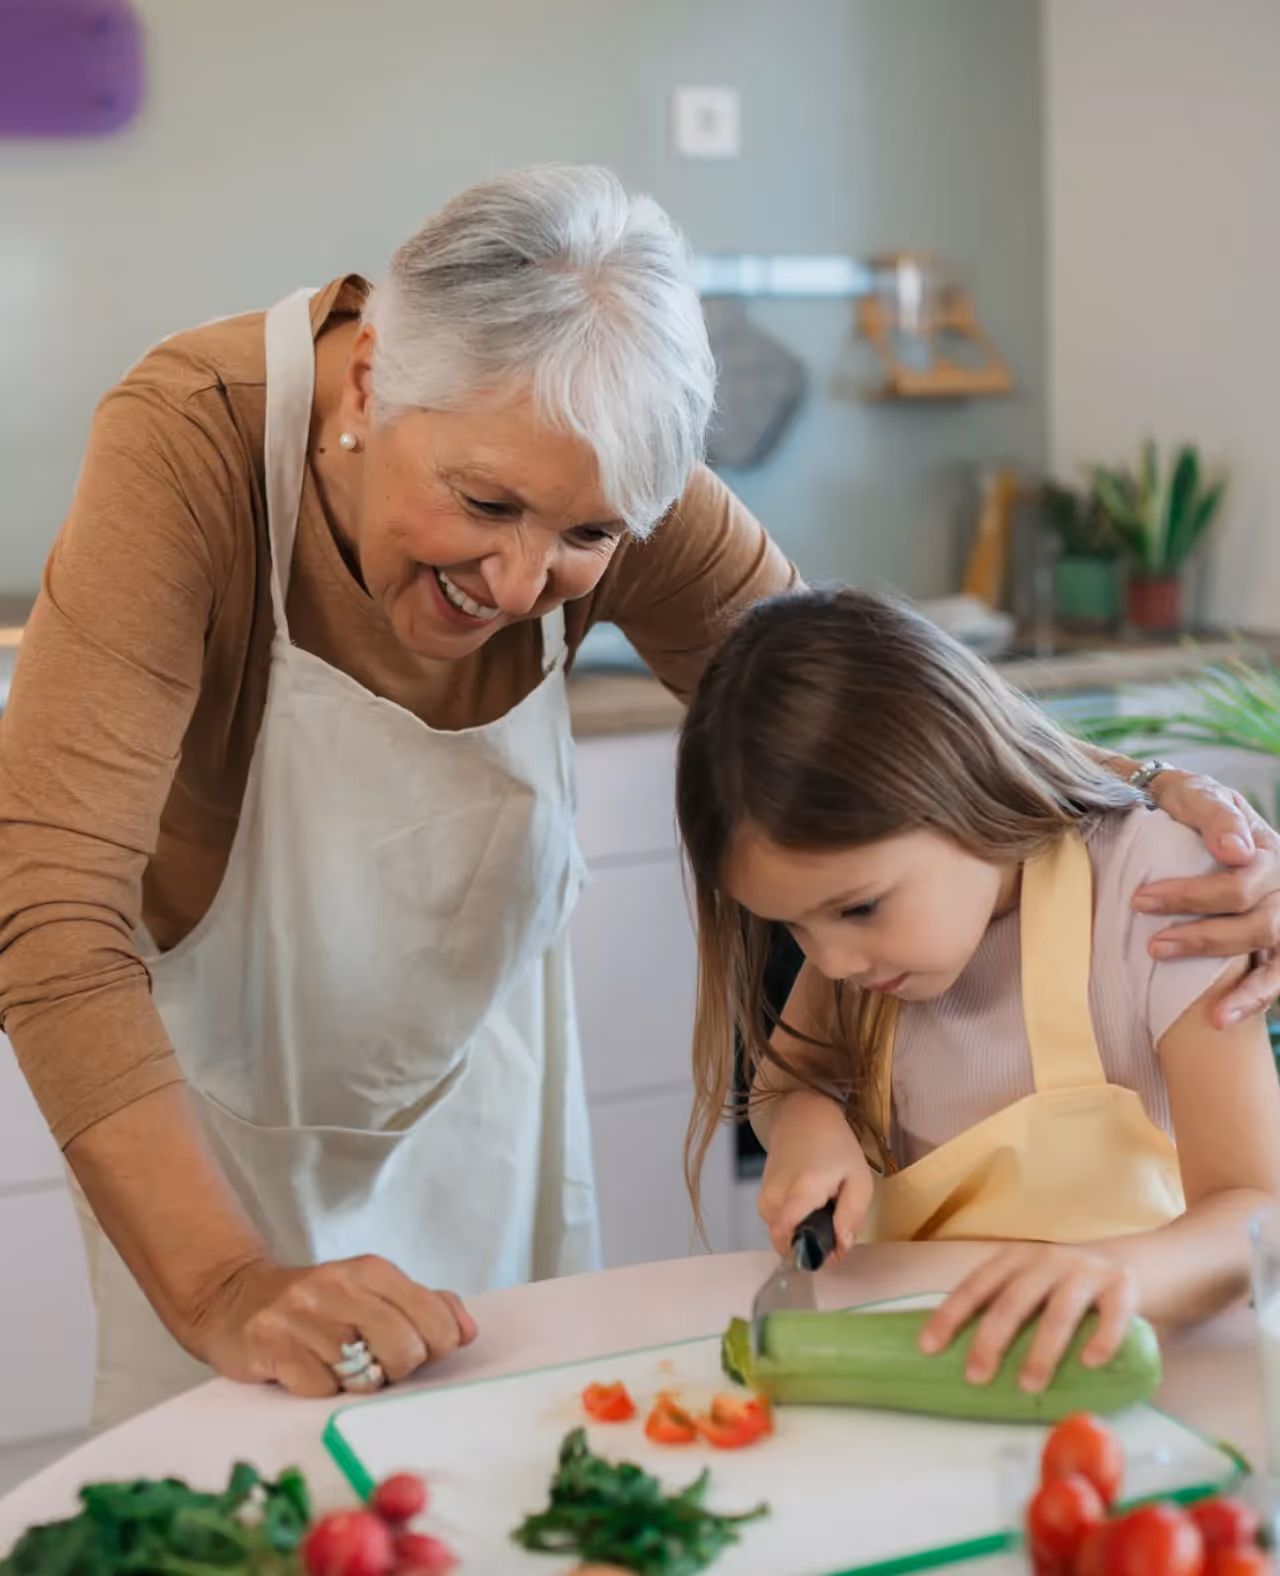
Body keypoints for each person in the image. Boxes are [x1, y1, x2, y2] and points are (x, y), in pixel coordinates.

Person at [0, 167, 1276, 1431]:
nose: (513, 582)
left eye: (588, 540)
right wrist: (227, 1281)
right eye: (481, 503)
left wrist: (1150, 800)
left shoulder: (594, 450)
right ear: (374, 373)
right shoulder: (190, 441)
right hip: (210, 1098)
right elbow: (48, 911)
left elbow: (875, 728)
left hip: (472, 1087)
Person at [676, 587, 1280, 1391]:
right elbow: (792, 1078)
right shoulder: (863, 957)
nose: (832, 962)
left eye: (858, 908)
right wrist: (808, 1123)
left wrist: (1119, 1274)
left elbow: (1258, 1207)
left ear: (957, 783)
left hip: (1159, 1373)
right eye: (793, 928)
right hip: (948, 1370)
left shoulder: (1159, 889)